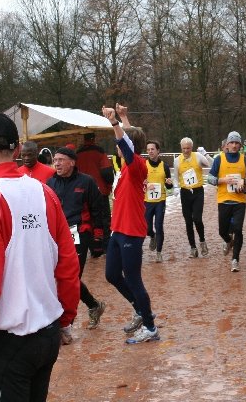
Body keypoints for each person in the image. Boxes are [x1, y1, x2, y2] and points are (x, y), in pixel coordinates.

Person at [0, 113, 80, 400]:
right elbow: (68, 264)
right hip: (47, 333)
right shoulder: (44, 192)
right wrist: (65, 318)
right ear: (17, 148)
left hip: (13, 340)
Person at [101, 103, 160, 344]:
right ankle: (140, 309)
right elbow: (131, 139)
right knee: (112, 275)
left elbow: (127, 145)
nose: (116, 148)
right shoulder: (129, 166)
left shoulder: (136, 165)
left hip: (132, 231)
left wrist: (115, 122)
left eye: (119, 145)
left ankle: (150, 326)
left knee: (133, 278)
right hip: (118, 230)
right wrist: (125, 118)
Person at [46, 147, 108, 329]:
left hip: (80, 233)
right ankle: (94, 305)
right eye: (55, 160)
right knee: (60, 276)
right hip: (57, 235)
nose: (56, 163)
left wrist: (98, 235)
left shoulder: (87, 182)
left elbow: (99, 209)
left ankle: (66, 325)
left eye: (61, 160)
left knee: (71, 278)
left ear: (72, 162)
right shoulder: (50, 183)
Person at [207, 131, 246, 272]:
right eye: (231, 142)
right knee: (222, 231)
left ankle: (235, 259)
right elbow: (209, 178)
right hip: (223, 200)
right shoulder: (219, 159)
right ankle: (228, 241)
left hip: (239, 201)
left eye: (236, 143)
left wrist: (244, 181)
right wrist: (221, 180)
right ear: (227, 144)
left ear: (240, 145)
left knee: (238, 229)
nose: (234, 145)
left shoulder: (245, 160)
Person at [171, 138, 214, 258]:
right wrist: (175, 187)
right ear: (181, 148)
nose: (186, 150)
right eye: (183, 148)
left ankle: (202, 241)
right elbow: (175, 176)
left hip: (197, 191)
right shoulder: (177, 160)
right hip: (185, 193)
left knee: (197, 218)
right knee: (188, 221)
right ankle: (193, 248)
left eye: (188, 148)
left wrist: (205, 154)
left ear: (192, 147)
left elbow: (213, 165)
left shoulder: (198, 157)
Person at [76, 132, 115, 257]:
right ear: (94, 139)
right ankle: (105, 247)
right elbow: (107, 172)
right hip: (100, 191)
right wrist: (109, 186)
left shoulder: (77, 154)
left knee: (87, 220)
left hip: (82, 192)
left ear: (84, 139)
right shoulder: (100, 152)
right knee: (104, 220)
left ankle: (92, 248)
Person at [144, 140, 173, 263]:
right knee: (147, 227)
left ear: (158, 151)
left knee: (159, 225)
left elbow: (169, 186)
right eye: (148, 149)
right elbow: (139, 181)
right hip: (147, 201)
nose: (150, 151)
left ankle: (159, 253)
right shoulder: (144, 165)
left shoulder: (165, 166)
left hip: (160, 200)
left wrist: (170, 184)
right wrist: (144, 183)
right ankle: (152, 236)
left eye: (152, 149)